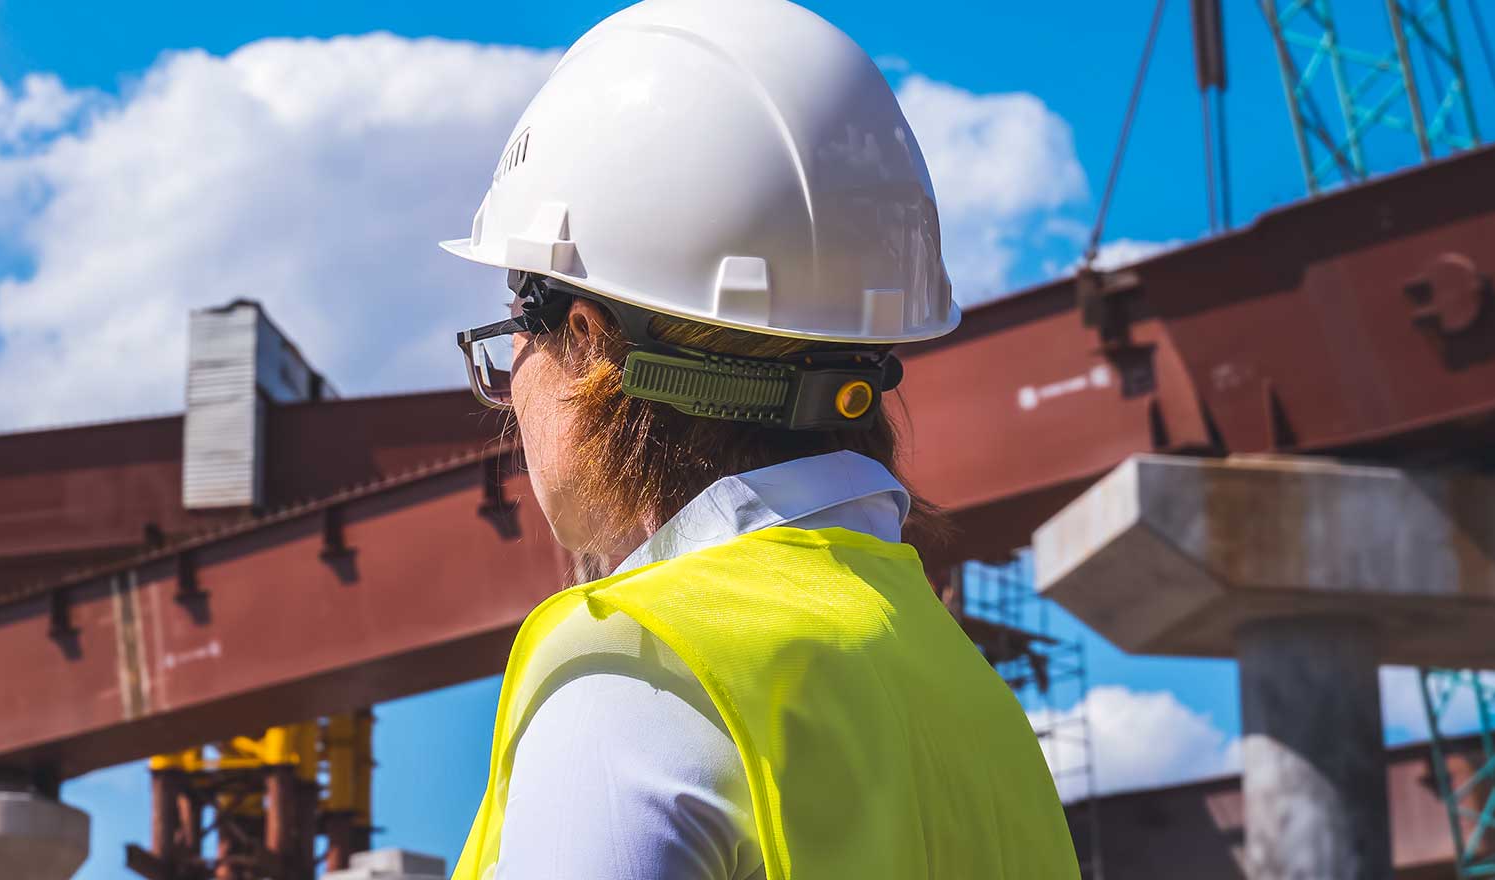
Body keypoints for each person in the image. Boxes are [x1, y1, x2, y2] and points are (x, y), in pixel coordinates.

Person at [437, 1, 1080, 878]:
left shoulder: (636, 677)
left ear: (585, 341)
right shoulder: (970, 700)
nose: (510, 376)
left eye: (518, 325)